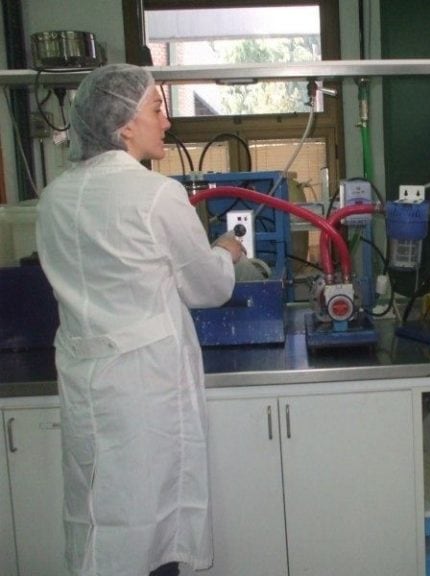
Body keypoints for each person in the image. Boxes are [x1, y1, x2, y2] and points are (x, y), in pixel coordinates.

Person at [35, 64, 245, 576]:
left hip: (87, 385)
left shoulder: (54, 197)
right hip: (143, 391)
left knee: (99, 517)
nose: (166, 122)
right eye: (156, 108)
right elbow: (208, 288)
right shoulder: (156, 195)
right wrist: (225, 251)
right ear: (124, 125)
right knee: (153, 526)